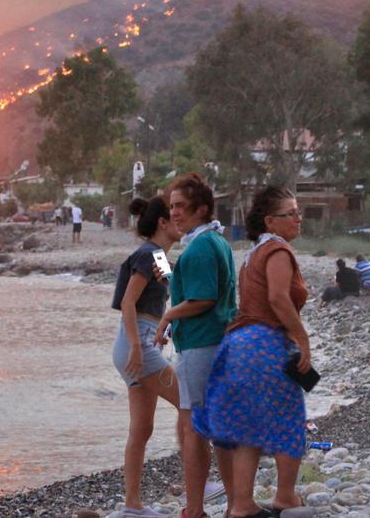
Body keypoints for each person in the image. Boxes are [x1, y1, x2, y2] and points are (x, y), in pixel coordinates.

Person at [196, 186, 311, 517]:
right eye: (292, 213)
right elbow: (277, 298)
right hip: (266, 344)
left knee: (247, 426)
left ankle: (242, 504)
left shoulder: (252, 256)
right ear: (271, 222)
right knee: (290, 417)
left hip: (239, 346)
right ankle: (286, 496)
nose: (298, 219)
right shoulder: (278, 251)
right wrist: (301, 338)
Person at [153, 172, 237, 518]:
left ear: (202, 209)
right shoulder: (216, 241)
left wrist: (167, 316)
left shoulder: (201, 247)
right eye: (171, 207)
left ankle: (196, 509)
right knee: (217, 427)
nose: (174, 213)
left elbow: (203, 299)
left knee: (193, 428)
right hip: (217, 341)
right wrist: (174, 278)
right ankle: (235, 503)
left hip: (201, 346)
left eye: (182, 207)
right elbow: (206, 293)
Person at [112, 197, 185, 517]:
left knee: (141, 429)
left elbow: (160, 303)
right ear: (162, 223)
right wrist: (139, 347)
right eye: (174, 216)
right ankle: (200, 480)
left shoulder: (159, 257)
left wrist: (160, 332)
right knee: (189, 402)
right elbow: (129, 303)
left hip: (139, 342)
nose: (180, 222)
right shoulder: (146, 255)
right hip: (136, 343)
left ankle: (132, 506)